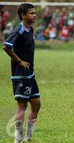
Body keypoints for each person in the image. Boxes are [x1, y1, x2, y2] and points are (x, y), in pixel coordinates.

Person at [2, 3, 40, 143]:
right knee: (22, 106)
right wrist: (19, 61)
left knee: (36, 104)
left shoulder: (30, 30)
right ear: (23, 15)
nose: (34, 15)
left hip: (30, 74)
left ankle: (29, 138)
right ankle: (18, 139)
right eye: (31, 13)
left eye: (35, 13)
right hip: (21, 74)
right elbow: (6, 46)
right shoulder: (19, 30)